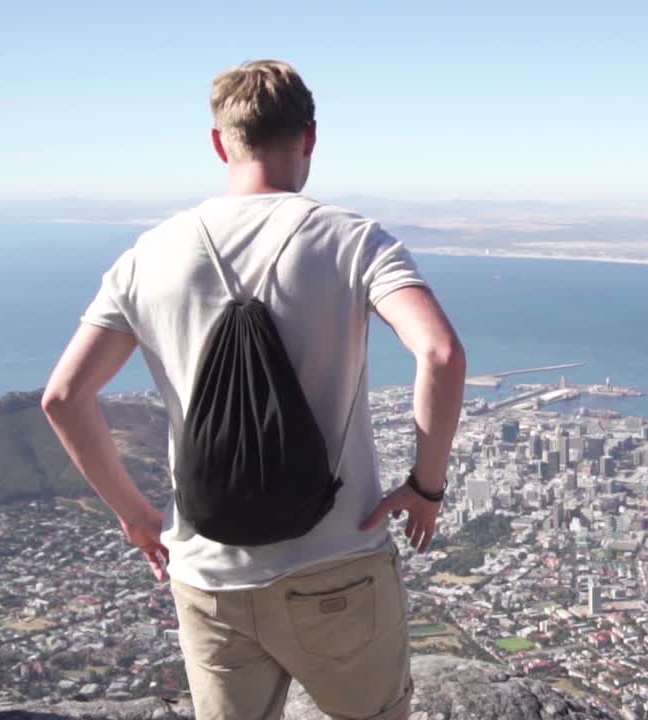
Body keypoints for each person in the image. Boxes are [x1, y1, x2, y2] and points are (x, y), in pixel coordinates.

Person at [41, 59, 466, 720]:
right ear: (310, 137)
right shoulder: (353, 240)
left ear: (220, 143)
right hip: (338, 566)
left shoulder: (147, 256)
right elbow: (440, 353)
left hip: (210, 578)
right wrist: (425, 487)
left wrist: (136, 516)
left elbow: (64, 398)